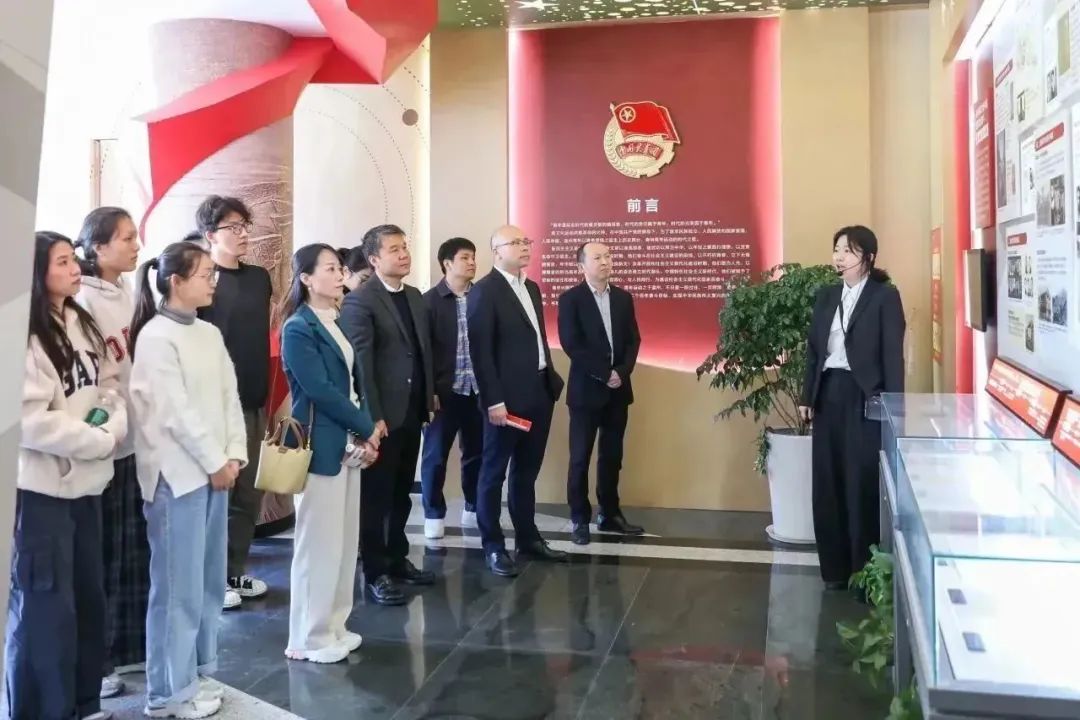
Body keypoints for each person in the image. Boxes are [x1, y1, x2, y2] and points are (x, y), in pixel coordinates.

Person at [5, 231, 127, 720]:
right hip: (42, 493)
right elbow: (29, 421)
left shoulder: (80, 320)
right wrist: (95, 440)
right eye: (61, 262)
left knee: (87, 599)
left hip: (89, 484)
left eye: (73, 259)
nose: (75, 268)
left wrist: (110, 426)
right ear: (36, 271)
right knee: (44, 610)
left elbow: (109, 387)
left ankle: (83, 701)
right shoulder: (23, 333)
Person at [129, 241, 247, 719]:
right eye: (205, 275)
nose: (213, 282)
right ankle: (166, 694)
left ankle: (195, 673)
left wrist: (233, 455)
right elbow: (174, 412)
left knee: (208, 582)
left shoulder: (208, 333)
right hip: (176, 478)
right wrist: (215, 461)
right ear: (175, 281)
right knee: (177, 588)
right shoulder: (156, 337)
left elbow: (229, 397)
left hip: (214, 473)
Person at [280, 244, 381, 663]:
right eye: (330, 269)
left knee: (342, 541)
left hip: (347, 440)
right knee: (317, 545)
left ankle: (335, 624)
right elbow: (320, 390)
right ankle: (308, 636)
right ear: (306, 278)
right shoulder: (298, 327)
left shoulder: (335, 319)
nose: (340, 275)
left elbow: (356, 383)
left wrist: (367, 426)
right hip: (320, 443)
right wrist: (365, 427)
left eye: (340, 268)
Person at [799, 226, 905, 591]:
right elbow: (814, 352)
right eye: (837, 250)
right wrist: (806, 397)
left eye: (848, 251)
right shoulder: (827, 296)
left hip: (865, 398)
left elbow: (892, 357)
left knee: (860, 482)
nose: (839, 257)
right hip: (828, 393)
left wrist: (893, 407)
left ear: (868, 257)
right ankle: (834, 570)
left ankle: (864, 573)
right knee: (827, 481)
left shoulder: (884, 297)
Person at [73, 207, 148, 699]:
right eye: (125, 238)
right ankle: (95, 662)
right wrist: (106, 427)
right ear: (98, 247)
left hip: (134, 441)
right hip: (103, 443)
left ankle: (125, 648)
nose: (136, 245)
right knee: (99, 557)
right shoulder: (83, 300)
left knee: (129, 551)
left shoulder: (127, 292)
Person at [340, 224, 436, 605]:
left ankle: (397, 558)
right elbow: (361, 365)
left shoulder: (414, 296)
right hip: (382, 416)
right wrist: (372, 416)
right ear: (374, 259)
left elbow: (422, 351)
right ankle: (375, 571)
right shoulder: (360, 302)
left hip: (412, 410)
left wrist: (428, 397)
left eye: (405, 247)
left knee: (401, 493)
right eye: (394, 249)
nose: (403, 254)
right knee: (376, 497)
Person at [467, 225, 567, 577]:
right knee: (493, 473)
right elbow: (481, 353)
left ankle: (528, 539)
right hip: (505, 401)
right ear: (496, 251)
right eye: (516, 243)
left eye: (526, 242)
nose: (525, 247)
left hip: (539, 391)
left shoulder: (531, 287)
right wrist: (493, 401)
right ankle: (493, 546)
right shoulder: (484, 291)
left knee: (526, 472)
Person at [195, 195, 273, 610]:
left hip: (253, 399)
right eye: (232, 227)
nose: (243, 234)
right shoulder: (202, 281)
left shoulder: (259, 278)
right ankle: (210, 579)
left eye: (245, 226)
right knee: (215, 496)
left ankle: (233, 570)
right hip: (213, 406)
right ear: (210, 235)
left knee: (248, 494)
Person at [557, 242, 644, 546]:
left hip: (619, 390)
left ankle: (609, 513)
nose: (605, 261)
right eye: (597, 257)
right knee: (580, 458)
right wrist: (603, 373)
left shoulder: (623, 298)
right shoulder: (570, 299)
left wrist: (621, 371)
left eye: (608, 256)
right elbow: (571, 343)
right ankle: (579, 518)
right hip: (586, 392)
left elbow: (633, 340)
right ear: (581, 266)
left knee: (612, 456)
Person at [420, 237, 483, 539]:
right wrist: (429, 391)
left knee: (476, 453)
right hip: (443, 394)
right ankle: (433, 513)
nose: (472, 263)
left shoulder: (483, 297)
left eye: (473, 257)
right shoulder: (428, 302)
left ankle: (473, 506)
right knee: (435, 456)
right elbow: (423, 352)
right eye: (465, 258)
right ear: (447, 263)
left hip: (478, 392)